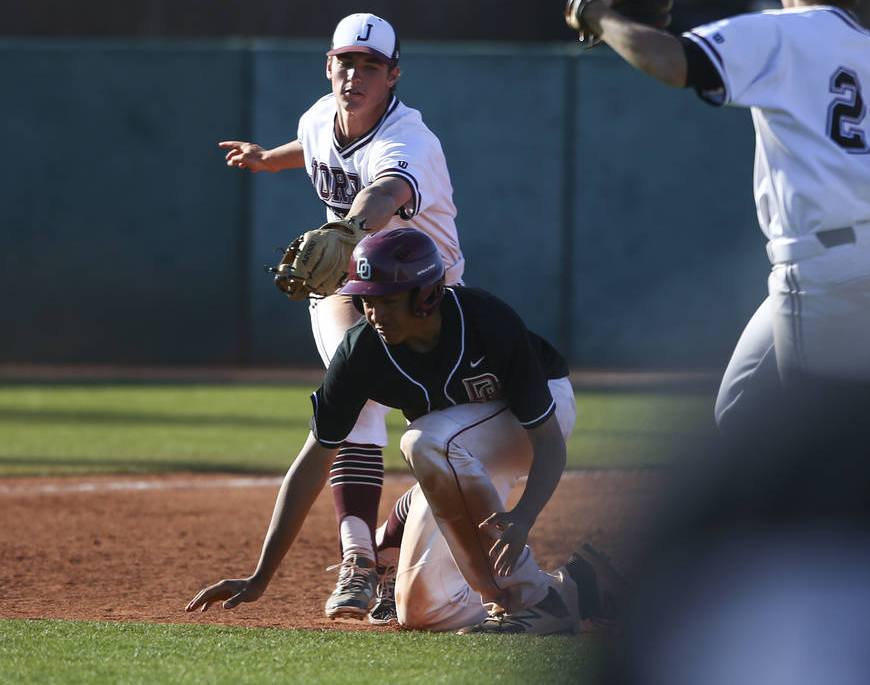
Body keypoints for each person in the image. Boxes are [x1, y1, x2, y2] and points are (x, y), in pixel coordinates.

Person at [565, 0, 870, 436]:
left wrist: (597, 15)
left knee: (806, 444)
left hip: (820, 274)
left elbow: (671, 61)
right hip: (869, 263)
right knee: (739, 412)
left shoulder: (777, 33)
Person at [186, 227, 617, 634]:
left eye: (386, 300)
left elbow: (548, 442)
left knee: (425, 440)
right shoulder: (361, 352)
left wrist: (525, 514)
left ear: (427, 296)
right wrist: (260, 577)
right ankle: (575, 587)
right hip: (453, 449)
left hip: (538, 415)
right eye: (364, 299)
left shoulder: (486, 322)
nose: (373, 312)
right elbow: (313, 463)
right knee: (422, 610)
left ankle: (530, 601)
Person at [218, 12, 465, 624]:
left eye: (371, 66)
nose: (355, 74)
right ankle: (357, 562)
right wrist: (265, 158)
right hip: (349, 286)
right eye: (345, 61)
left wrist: (349, 227)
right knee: (354, 402)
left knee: (451, 444)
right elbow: (311, 147)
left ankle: (389, 545)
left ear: (393, 76)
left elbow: (383, 192)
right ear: (329, 65)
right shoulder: (316, 115)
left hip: (432, 296)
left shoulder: (409, 138)